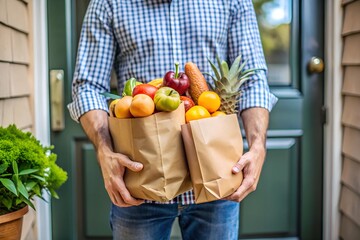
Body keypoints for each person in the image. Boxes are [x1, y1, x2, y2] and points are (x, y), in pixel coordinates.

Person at [68, 0, 278, 239]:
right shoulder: (109, 3)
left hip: (218, 175)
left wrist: (258, 146)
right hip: (140, 179)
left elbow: (253, 80)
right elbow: (89, 86)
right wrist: (104, 151)